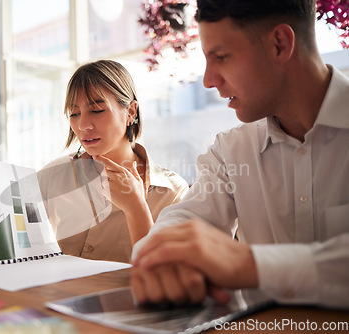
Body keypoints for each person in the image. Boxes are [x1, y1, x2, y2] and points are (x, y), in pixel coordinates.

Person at [131, 0, 349, 309]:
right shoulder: (230, 151)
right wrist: (163, 258)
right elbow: (184, 218)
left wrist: (250, 265)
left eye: (221, 57)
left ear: (279, 44)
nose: (208, 81)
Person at [38, 60, 188, 263]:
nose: (82, 126)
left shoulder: (172, 193)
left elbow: (168, 278)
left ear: (131, 112)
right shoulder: (52, 176)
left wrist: (136, 209)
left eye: (97, 110)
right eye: (74, 114)